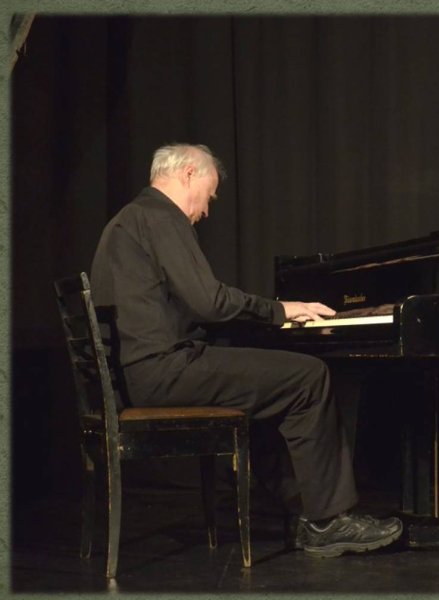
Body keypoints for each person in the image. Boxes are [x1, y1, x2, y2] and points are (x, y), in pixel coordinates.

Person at [90, 142, 402, 557]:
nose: (207, 209)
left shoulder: (127, 220)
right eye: (210, 194)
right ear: (188, 173)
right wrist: (279, 310)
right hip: (162, 372)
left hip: (137, 375)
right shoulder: (160, 216)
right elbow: (209, 302)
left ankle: (302, 510)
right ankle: (327, 522)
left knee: (271, 382)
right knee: (308, 376)